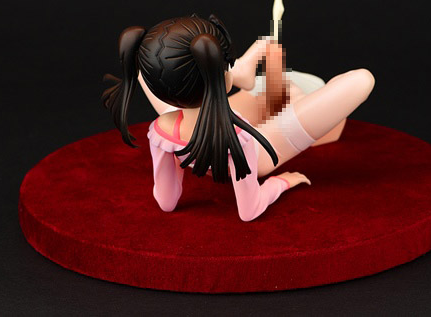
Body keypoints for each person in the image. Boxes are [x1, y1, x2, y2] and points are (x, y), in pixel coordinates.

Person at [102, 14, 374, 221]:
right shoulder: (238, 138)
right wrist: (282, 182)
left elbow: (166, 201)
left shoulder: (160, 130)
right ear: (220, 76)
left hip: (199, 122)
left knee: (159, 72)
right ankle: (249, 76)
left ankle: (243, 73)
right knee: (362, 80)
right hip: (260, 149)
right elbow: (249, 210)